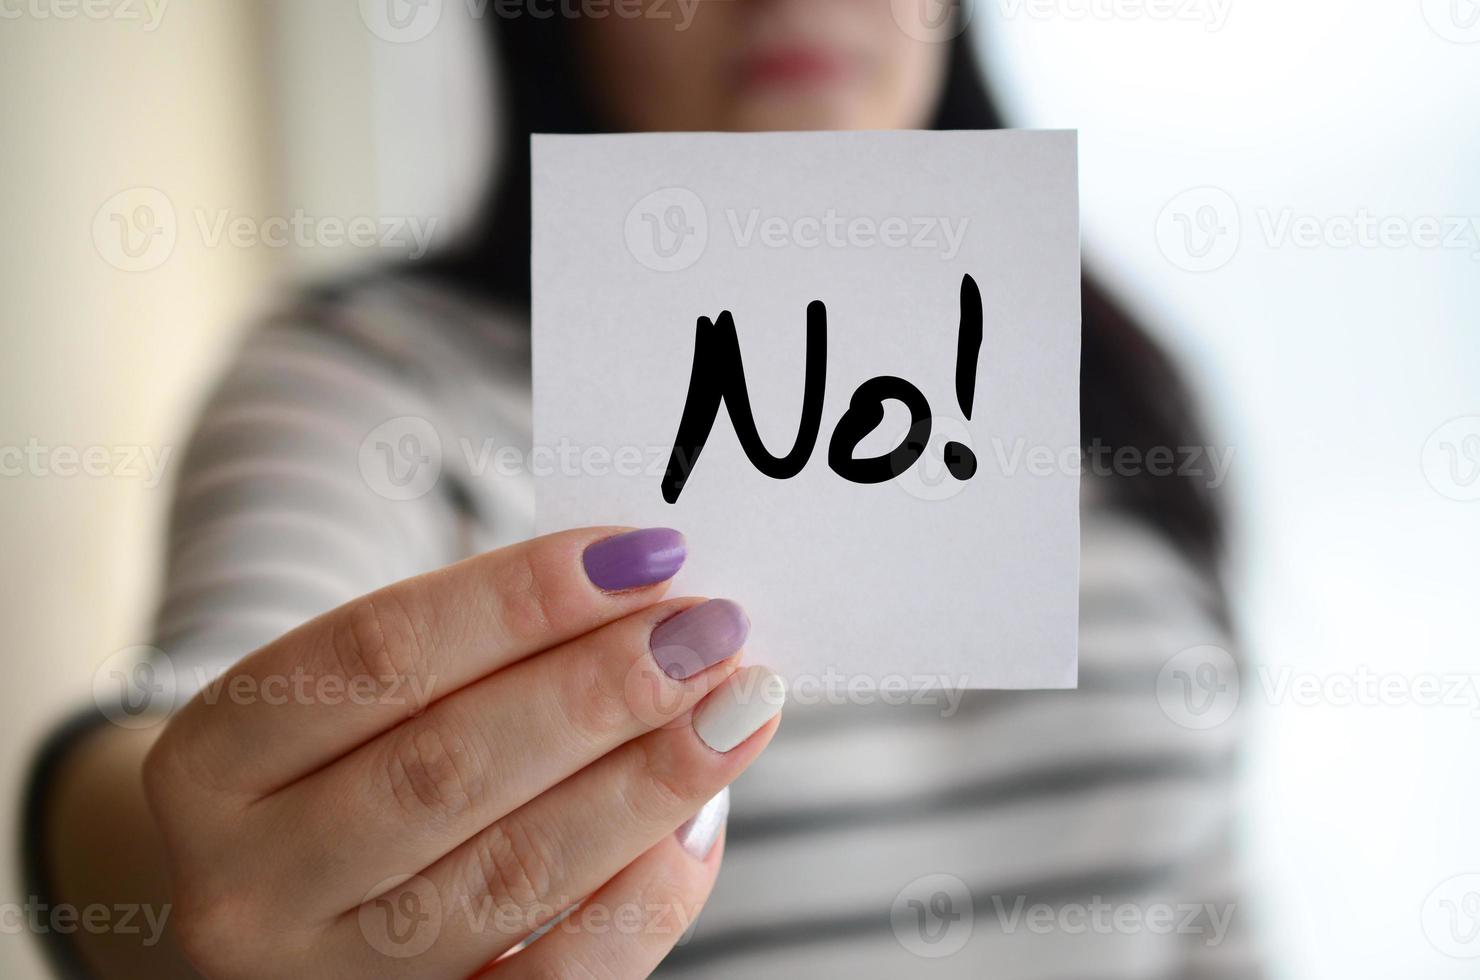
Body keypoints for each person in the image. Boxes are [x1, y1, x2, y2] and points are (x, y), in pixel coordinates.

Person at [26, 3, 1257, 977]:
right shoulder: (378, 386)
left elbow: (1214, 918)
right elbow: (188, 738)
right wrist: (149, 858)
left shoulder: (1099, 374)